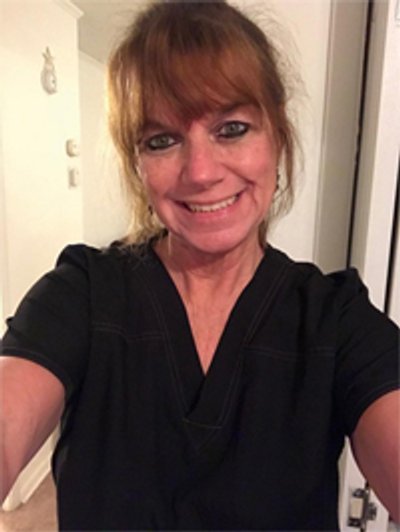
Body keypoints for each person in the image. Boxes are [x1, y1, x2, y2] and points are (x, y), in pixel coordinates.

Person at [1, 1, 399, 530]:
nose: (201, 172)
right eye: (162, 140)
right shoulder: (82, 295)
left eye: (232, 128)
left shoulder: (334, 319)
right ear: (137, 164)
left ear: (277, 136)